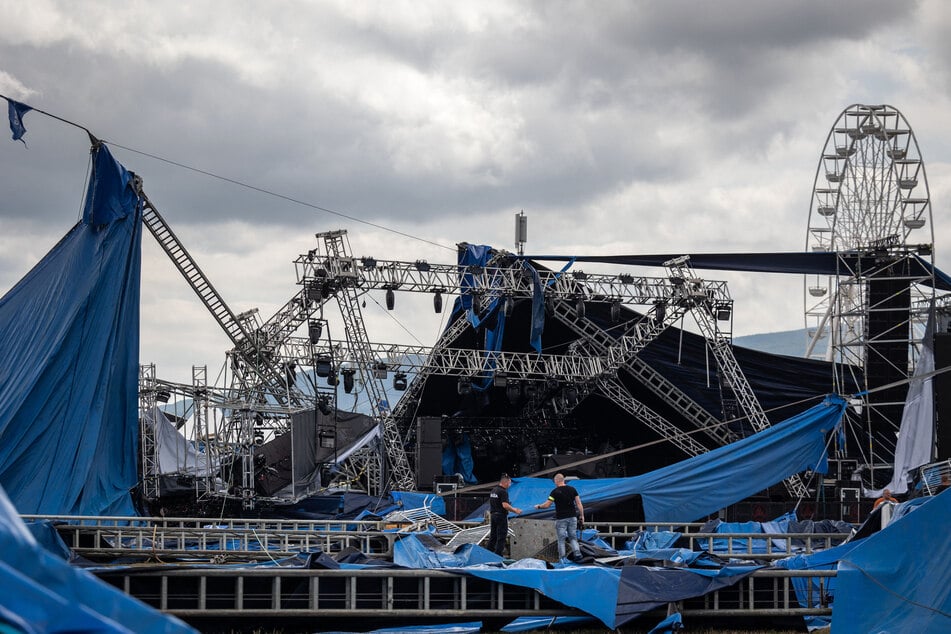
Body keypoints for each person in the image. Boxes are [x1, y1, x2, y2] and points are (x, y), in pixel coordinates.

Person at [534, 473, 584, 561]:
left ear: (556, 481)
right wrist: (582, 515)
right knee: (573, 537)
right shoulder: (573, 489)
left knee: (561, 540)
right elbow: (579, 503)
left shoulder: (554, 492)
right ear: (563, 480)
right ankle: (577, 554)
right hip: (572, 517)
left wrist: (538, 506)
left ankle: (562, 559)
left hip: (561, 518)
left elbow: (547, 505)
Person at [486, 473, 521, 556]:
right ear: (505, 482)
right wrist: (514, 510)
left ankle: (488, 553)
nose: (509, 485)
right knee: (501, 536)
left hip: (493, 515)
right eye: (509, 483)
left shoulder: (494, 490)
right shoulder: (503, 492)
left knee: (493, 536)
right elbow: (505, 505)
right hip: (501, 515)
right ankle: (498, 555)